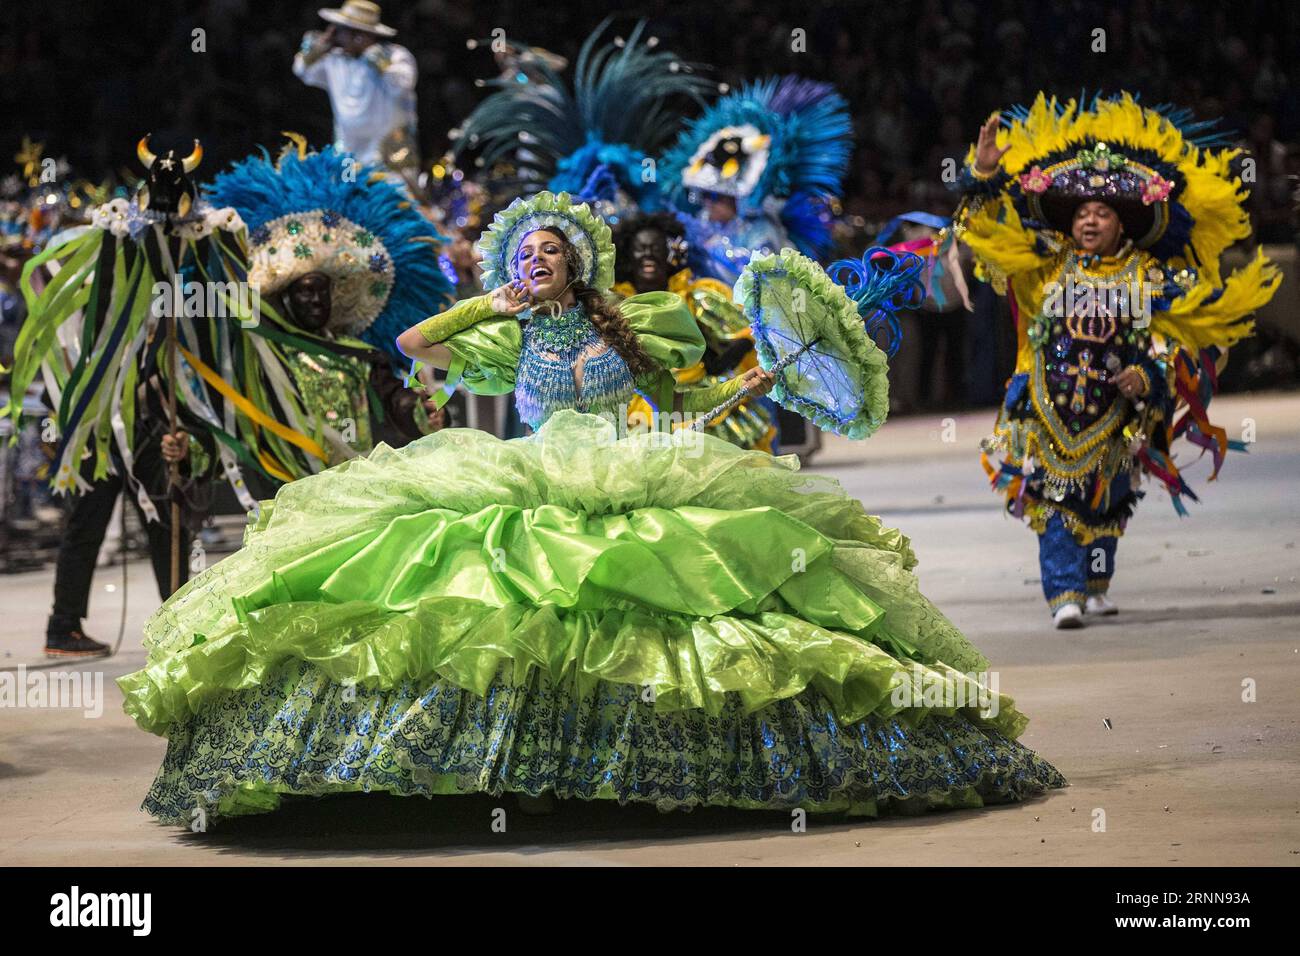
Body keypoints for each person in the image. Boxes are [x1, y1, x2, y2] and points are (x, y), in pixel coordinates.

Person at [118, 191, 1063, 827]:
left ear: (577, 263)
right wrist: (489, 303)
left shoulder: (640, 321)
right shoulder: (503, 335)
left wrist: (734, 401)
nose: (536, 262)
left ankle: (668, 765)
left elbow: (687, 393)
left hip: (632, 472)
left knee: (679, 592)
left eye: (548, 252)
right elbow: (414, 340)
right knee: (513, 606)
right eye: (523, 253)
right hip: (533, 477)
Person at [955, 94, 1281, 628]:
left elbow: (1177, 338)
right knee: (1055, 501)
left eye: (1102, 212)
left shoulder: (1148, 277)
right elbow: (987, 233)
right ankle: (1064, 596)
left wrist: (1148, 375)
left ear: (1124, 223)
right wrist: (984, 173)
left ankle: (1094, 583)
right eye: (1081, 212)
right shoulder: (1043, 267)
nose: (1089, 220)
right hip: (1046, 407)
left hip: (1118, 415)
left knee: (1108, 505)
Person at [612, 211, 776, 451]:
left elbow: (749, 332)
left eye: (656, 248)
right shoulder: (615, 307)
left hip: (700, 398)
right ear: (628, 256)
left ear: (670, 253)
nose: (648, 254)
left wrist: (734, 350)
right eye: (641, 248)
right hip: (641, 405)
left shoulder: (698, 296)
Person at [293, 2, 417, 171]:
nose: (334, 34)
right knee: (347, 195)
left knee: (393, 196)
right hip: (348, 155)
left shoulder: (395, 55)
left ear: (360, 35)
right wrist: (319, 47)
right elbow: (302, 70)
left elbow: (401, 86)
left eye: (340, 30)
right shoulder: (335, 60)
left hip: (390, 155)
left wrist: (375, 58)